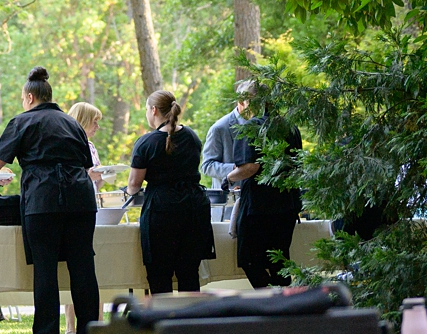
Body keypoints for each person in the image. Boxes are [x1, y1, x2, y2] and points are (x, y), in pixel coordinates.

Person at [0, 67, 99, 334]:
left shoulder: (22, 122)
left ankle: (46, 333)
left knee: (45, 267)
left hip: (43, 198)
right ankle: (90, 332)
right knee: (83, 266)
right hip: (80, 199)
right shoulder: (71, 123)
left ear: (29, 97)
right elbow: (86, 163)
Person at [201, 79, 303, 287]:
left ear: (248, 101)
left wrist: (229, 177)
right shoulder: (289, 126)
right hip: (288, 202)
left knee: (249, 258)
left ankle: (268, 300)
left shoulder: (254, 127)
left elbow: (250, 167)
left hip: (260, 204)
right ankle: (282, 305)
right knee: (279, 260)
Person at [127, 89, 215, 294]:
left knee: (159, 275)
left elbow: (134, 185)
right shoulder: (191, 137)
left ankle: (164, 321)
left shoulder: (146, 143)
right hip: (193, 208)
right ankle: (191, 322)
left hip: (162, 211)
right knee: (189, 273)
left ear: (154, 110)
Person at [64, 100, 106, 334]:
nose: (97, 127)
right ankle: (71, 327)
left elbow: (96, 181)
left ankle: (96, 324)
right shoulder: (69, 143)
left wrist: (101, 176)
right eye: (94, 122)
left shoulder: (91, 147)